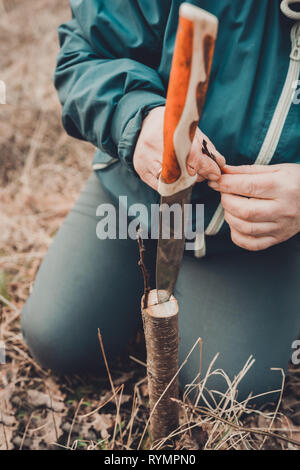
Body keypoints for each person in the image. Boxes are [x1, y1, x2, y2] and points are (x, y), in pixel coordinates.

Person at [21, 0, 300, 405]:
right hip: (133, 199)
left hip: (257, 239)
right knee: (58, 338)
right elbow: (84, 54)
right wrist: (138, 119)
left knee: (230, 389)